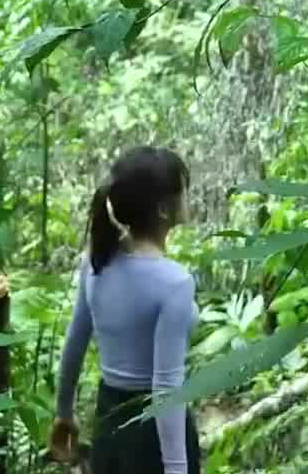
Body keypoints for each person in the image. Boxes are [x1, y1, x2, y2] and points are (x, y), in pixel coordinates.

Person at [50, 146, 203, 473]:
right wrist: (176, 469)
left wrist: (64, 413)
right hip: (153, 439)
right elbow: (166, 389)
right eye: (184, 189)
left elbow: (74, 345)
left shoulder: (96, 261)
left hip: (109, 423)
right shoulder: (174, 282)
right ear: (164, 209)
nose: (189, 196)